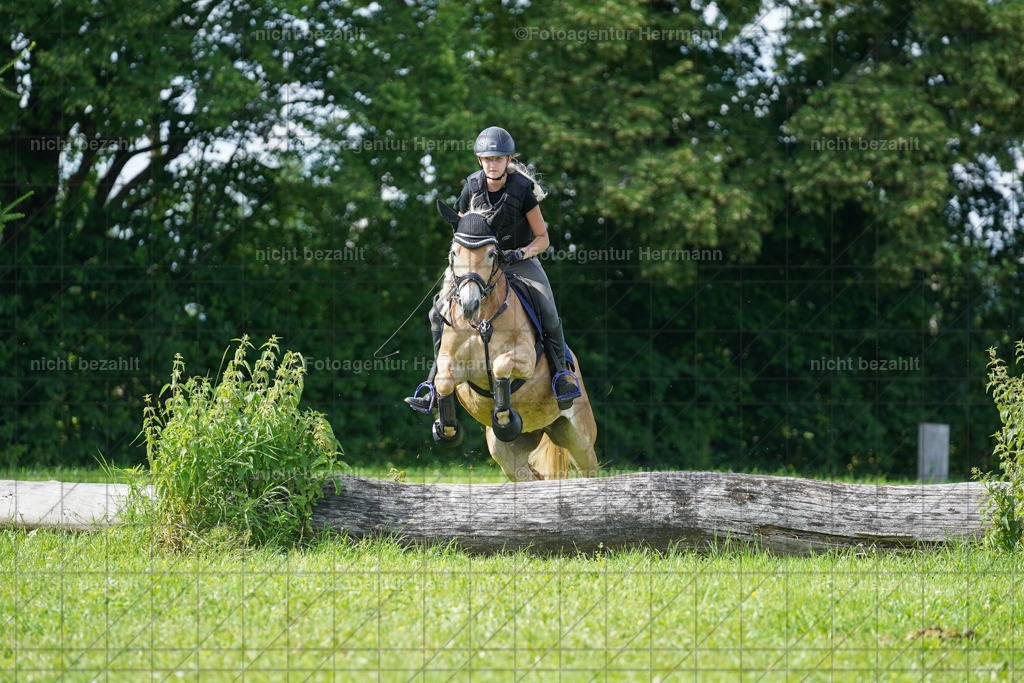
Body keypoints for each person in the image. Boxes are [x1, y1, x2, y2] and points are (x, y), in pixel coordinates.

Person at [405, 125, 581, 413]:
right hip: (478, 266)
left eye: (498, 159)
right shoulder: (471, 188)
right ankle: (432, 386)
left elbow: (543, 239)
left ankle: (562, 375)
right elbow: (462, 234)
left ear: (508, 161)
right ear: (480, 161)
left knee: (546, 306)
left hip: (520, 261)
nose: (492, 164)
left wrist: (519, 253)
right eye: (487, 159)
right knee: (436, 310)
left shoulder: (523, 191)